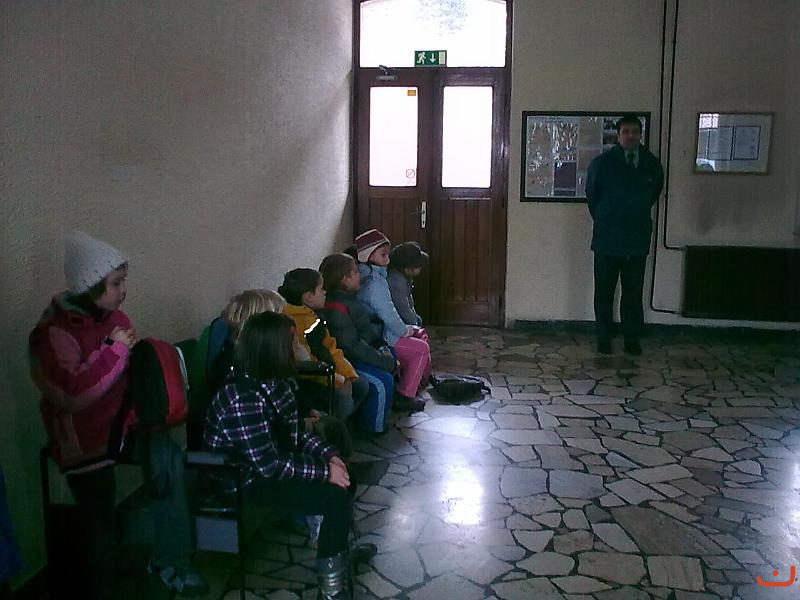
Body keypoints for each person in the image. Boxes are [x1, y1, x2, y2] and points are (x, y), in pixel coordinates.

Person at [28, 231, 208, 599]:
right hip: (83, 442)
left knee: (168, 462)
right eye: (116, 283)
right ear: (90, 285)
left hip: (124, 426)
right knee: (99, 523)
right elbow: (72, 394)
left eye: (124, 281)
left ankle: (171, 561)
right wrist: (114, 350)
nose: (123, 291)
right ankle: (103, 588)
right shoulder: (52, 333)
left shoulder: (116, 317)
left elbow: (125, 374)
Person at [204, 311, 375, 599]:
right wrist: (324, 472)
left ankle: (338, 552)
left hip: (270, 466)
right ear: (274, 350)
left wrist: (330, 456)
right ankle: (332, 591)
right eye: (291, 343)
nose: (296, 348)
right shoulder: (242, 398)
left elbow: (295, 436)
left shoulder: (278, 383)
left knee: (346, 477)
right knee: (334, 498)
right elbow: (268, 466)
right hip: (243, 481)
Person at [585, 115, 664, 355]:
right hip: (607, 239)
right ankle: (604, 338)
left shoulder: (651, 164)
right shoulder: (602, 163)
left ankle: (631, 338)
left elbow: (653, 193)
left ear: (640, 135)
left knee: (633, 293)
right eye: (626, 131)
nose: (631, 136)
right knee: (604, 292)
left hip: (636, 239)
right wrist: (607, 218)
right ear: (618, 135)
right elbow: (592, 197)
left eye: (635, 131)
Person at [350, 229, 430, 412]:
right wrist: (405, 330)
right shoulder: (375, 282)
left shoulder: (370, 275)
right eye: (383, 255)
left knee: (419, 338)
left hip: (375, 332)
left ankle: (413, 381)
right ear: (368, 256)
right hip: (380, 336)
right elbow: (388, 312)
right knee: (421, 349)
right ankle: (405, 395)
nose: (388, 260)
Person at [318, 253, 396, 433]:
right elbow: (352, 347)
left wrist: (381, 347)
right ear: (343, 279)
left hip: (361, 352)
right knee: (382, 381)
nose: (359, 275)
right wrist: (384, 361)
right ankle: (374, 428)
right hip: (349, 360)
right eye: (355, 272)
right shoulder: (336, 308)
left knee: (392, 355)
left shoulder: (349, 298)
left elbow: (364, 330)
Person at [279, 269, 369, 421]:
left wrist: (348, 374)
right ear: (308, 297)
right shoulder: (295, 322)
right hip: (310, 378)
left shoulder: (313, 314)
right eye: (321, 289)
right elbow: (308, 363)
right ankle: (333, 428)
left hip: (327, 370)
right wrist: (338, 380)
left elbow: (330, 348)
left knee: (361, 385)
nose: (325, 292)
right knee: (344, 402)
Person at [387, 241, 429, 327]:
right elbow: (403, 309)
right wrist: (415, 326)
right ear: (408, 267)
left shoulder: (405, 278)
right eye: (418, 266)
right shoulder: (396, 281)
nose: (420, 268)